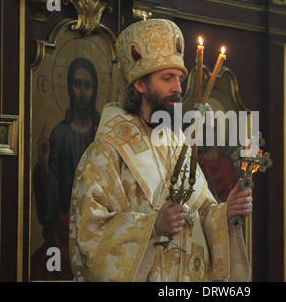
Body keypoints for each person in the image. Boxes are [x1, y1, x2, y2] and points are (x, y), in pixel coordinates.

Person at [69, 18, 252, 282]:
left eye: (179, 79)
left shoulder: (177, 145)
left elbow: (199, 214)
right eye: (167, 79)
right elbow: (88, 235)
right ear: (140, 85)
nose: (178, 89)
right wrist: (152, 226)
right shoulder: (106, 152)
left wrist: (226, 212)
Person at [31, 57, 101, 281]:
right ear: (70, 87)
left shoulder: (101, 134)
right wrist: (43, 165)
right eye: (77, 84)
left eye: (87, 86)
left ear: (94, 90)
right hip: (64, 226)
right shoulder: (60, 134)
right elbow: (50, 202)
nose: (82, 92)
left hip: (96, 221)